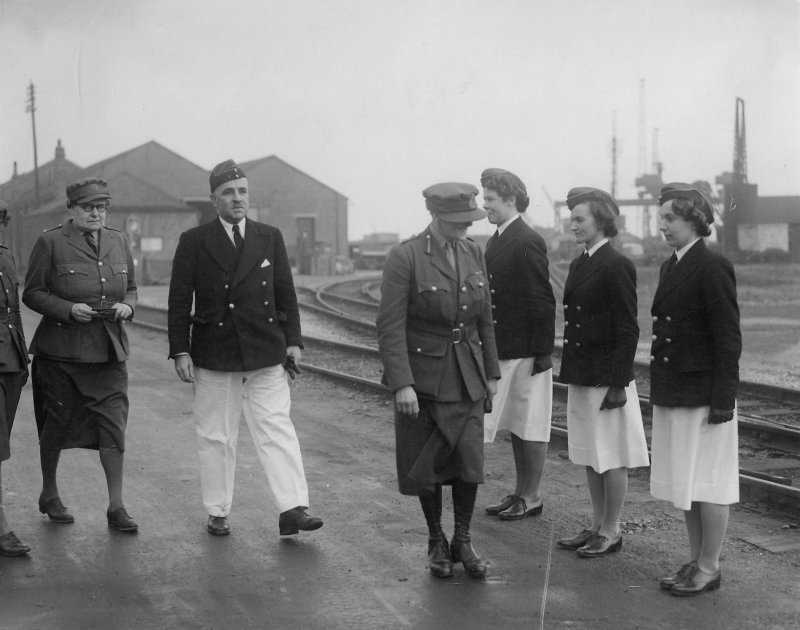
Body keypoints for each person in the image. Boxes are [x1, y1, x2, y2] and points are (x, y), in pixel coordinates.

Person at [167, 159, 322, 538]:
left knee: (277, 429)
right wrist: (180, 350)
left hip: (265, 351)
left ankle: (293, 508)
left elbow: (286, 292)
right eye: (229, 193)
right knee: (217, 436)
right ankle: (218, 511)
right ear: (213, 199)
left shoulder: (269, 236)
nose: (238, 199)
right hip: (215, 353)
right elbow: (177, 301)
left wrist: (294, 341)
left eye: (242, 192)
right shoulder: (195, 241)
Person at [376, 182, 500, 579]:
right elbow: (390, 327)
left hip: (468, 376)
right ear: (435, 216)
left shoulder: (473, 251)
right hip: (425, 380)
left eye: (470, 220)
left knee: (468, 460)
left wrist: (492, 372)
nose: (466, 227)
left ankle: (463, 539)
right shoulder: (406, 257)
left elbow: (485, 319)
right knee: (427, 463)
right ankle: (436, 540)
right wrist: (402, 384)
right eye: (457, 221)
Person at [23, 178, 139, 532]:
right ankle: (49, 493)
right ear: (72, 208)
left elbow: (131, 288)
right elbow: (32, 293)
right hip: (62, 355)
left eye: (101, 207)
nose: (96, 213)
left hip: (109, 352)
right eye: (88, 207)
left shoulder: (118, 240)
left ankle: (116, 507)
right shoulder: (51, 242)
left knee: (113, 426)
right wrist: (67, 309)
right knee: (56, 424)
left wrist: (127, 307)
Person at [649, 182, 741, 597]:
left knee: (710, 482)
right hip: (677, 390)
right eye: (661, 217)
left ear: (695, 219)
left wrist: (724, 398)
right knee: (687, 484)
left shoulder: (712, 264)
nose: (662, 225)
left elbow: (727, 337)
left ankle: (710, 565)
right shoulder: (675, 263)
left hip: (704, 395)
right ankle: (694, 559)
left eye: (671, 218)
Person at [556, 187, 649, 557]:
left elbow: (628, 329)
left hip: (607, 378)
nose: (573, 225)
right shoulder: (581, 262)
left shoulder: (616, 264)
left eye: (580, 219)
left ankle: (612, 529)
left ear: (601, 221)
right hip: (582, 373)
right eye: (573, 219)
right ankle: (596, 524)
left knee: (610, 455)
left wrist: (618, 383)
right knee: (591, 454)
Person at [480, 168, 555, 520]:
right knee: (515, 423)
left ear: (511, 200)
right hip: (506, 347)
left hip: (526, 350)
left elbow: (542, 299)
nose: (485, 205)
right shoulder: (497, 238)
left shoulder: (527, 240)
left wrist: (543, 352)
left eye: (491, 199)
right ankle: (520, 492)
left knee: (531, 422)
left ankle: (532, 494)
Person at [0, 200, 31, 556]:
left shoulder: (5, 256)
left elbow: (14, 312)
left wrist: (23, 361)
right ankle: (2, 526)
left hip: (9, 362)